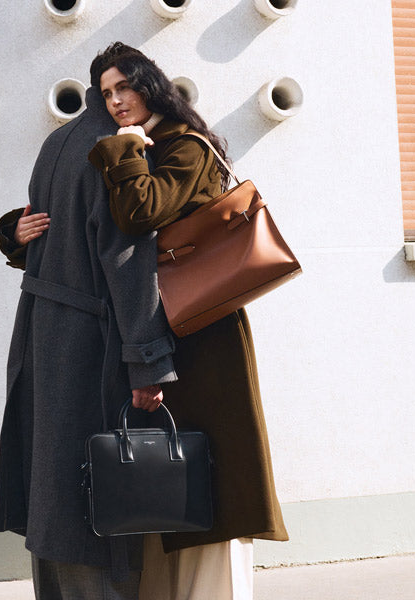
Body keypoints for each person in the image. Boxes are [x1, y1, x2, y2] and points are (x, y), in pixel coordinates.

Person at [86, 43, 289, 600]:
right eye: (106, 94)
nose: (116, 101)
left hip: (205, 329)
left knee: (211, 468)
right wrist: (18, 233)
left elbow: (139, 213)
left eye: (124, 87)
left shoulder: (184, 146)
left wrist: (124, 148)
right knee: (168, 469)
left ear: (149, 86)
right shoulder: (150, 144)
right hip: (168, 328)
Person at [0, 82, 179, 598]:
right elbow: (128, 261)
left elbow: (47, 228)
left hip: (41, 329)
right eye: (116, 90)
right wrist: (147, 362)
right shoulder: (113, 149)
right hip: (89, 343)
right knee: (98, 484)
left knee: (52, 480)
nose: (122, 101)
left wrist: (11, 235)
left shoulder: (57, 141)